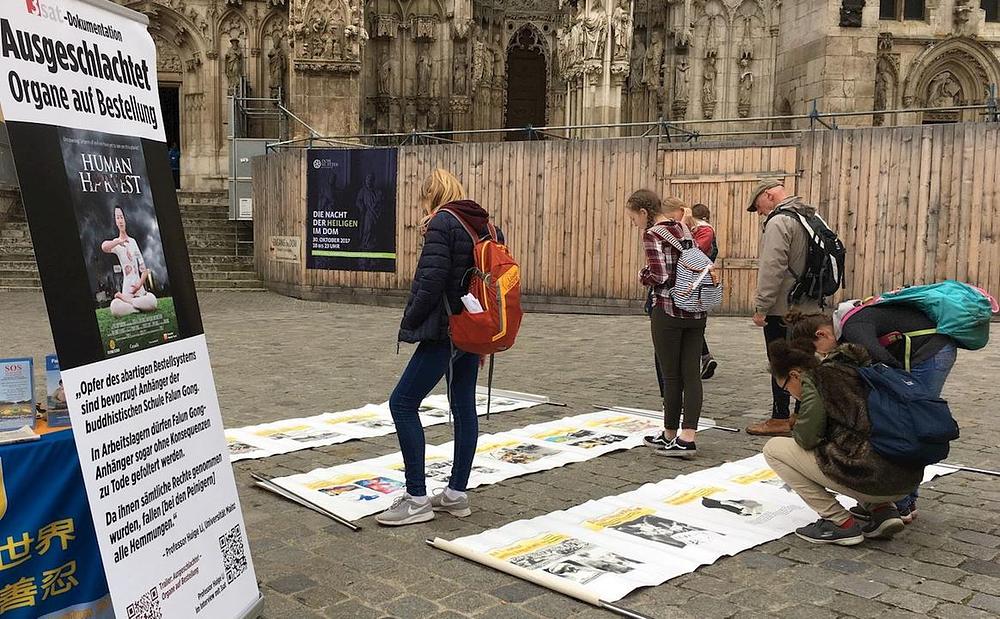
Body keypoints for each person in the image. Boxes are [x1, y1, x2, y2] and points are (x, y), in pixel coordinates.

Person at [376, 169, 502, 526]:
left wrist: (410, 321)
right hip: (473, 328)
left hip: (445, 329)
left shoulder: (443, 223)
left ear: (431, 195)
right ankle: (456, 494)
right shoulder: (486, 225)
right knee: (463, 406)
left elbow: (430, 281)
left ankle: (416, 498)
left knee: (402, 403)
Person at [784, 305, 957, 522]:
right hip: (922, 349)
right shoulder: (845, 329)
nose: (822, 355)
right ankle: (902, 502)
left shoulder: (853, 328)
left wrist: (896, 388)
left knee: (914, 420)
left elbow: (883, 364)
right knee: (903, 420)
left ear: (822, 334)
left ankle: (901, 504)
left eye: (818, 349)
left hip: (931, 352)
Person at [762, 339, 920, 545]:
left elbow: (806, 439)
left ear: (795, 375)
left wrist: (800, 420)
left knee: (773, 449)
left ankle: (839, 522)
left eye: (786, 388)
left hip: (875, 479)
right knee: (849, 449)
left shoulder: (817, 383)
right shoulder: (855, 372)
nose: (790, 394)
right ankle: (883, 511)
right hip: (907, 479)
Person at [627, 191, 706, 457]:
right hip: (695, 309)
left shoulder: (652, 234)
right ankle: (686, 436)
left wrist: (643, 275)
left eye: (633, 218)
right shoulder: (683, 228)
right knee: (692, 374)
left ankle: (672, 431)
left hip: (668, 310)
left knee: (671, 375)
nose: (634, 223)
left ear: (644, 213)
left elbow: (660, 275)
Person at [746, 180, 826, 437]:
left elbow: (773, 267)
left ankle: (780, 417)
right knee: (806, 360)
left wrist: (762, 306)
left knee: (780, 361)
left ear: (769, 195)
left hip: (783, 307)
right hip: (809, 304)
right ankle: (802, 415)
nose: (760, 213)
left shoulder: (780, 221)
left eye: (758, 206)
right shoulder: (810, 216)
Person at [101, 206, 157, 317]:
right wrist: (117, 241)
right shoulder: (116, 243)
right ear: (116, 222)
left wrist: (139, 284)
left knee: (152, 301)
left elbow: (144, 270)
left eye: (121, 217)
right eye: (117, 218)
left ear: (125, 219)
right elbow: (104, 247)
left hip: (139, 292)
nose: (120, 220)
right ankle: (139, 307)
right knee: (115, 307)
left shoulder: (133, 242)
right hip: (127, 290)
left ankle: (128, 302)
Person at [687, 203, 718, 379]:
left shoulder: (705, 231)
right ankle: (704, 357)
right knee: (694, 323)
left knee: (693, 324)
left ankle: (704, 357)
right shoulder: (703, 230)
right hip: (700, 282)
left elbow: (693, 252)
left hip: (696, 283)